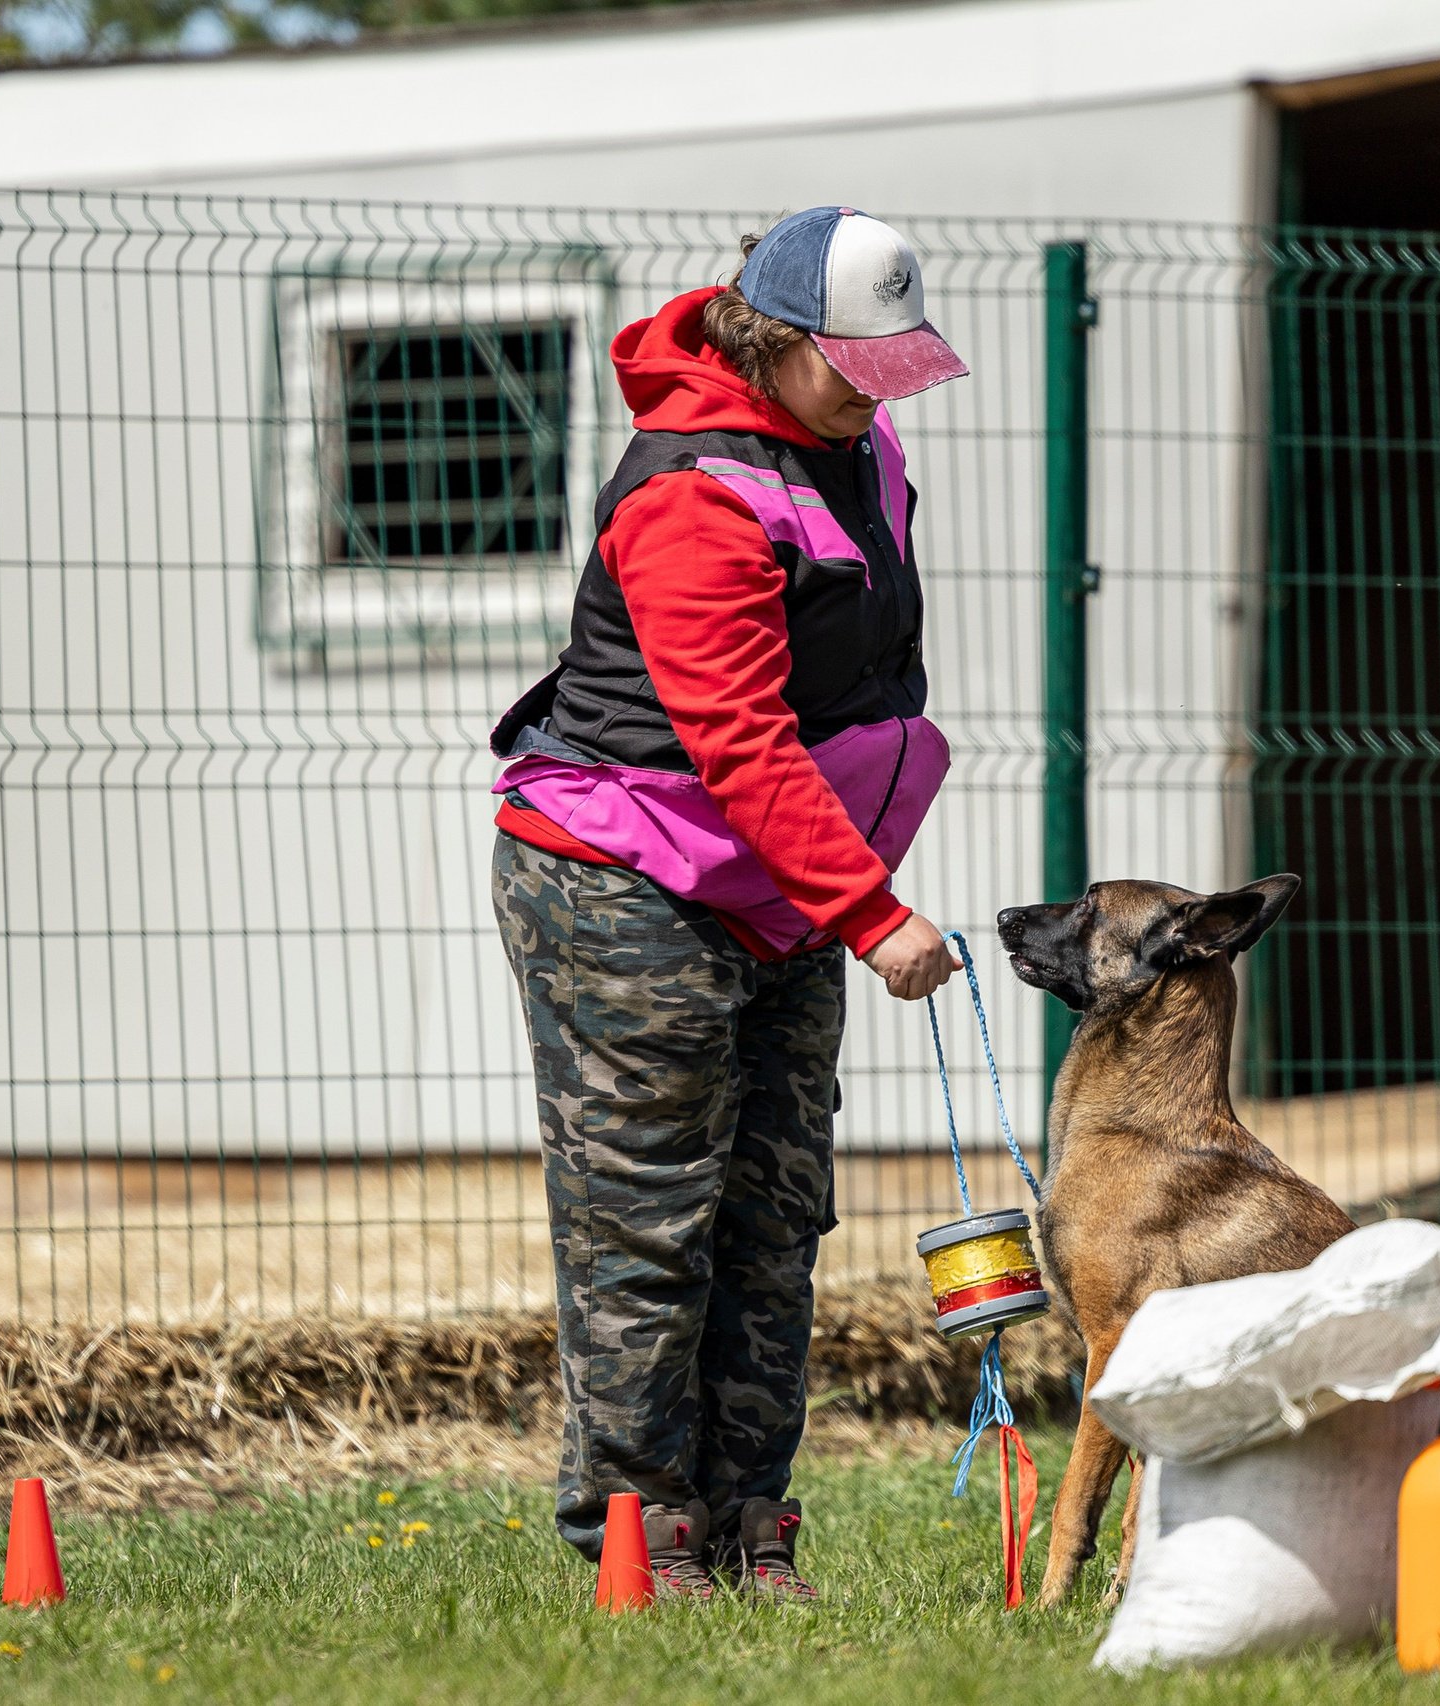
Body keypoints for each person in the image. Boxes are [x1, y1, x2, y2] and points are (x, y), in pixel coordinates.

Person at [489, 207, 967, 1601]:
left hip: (775, 886)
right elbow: (738, 739)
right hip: (624, 877)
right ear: (773, 341)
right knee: (649, 1216)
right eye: (854, 364)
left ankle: (756, 1524)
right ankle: (643, 1541)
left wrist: (838, 885)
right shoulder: (692, 493)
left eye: (894, 364)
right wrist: (873, 913)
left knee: (776, 1210)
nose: (879, 391)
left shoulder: (852, 443)